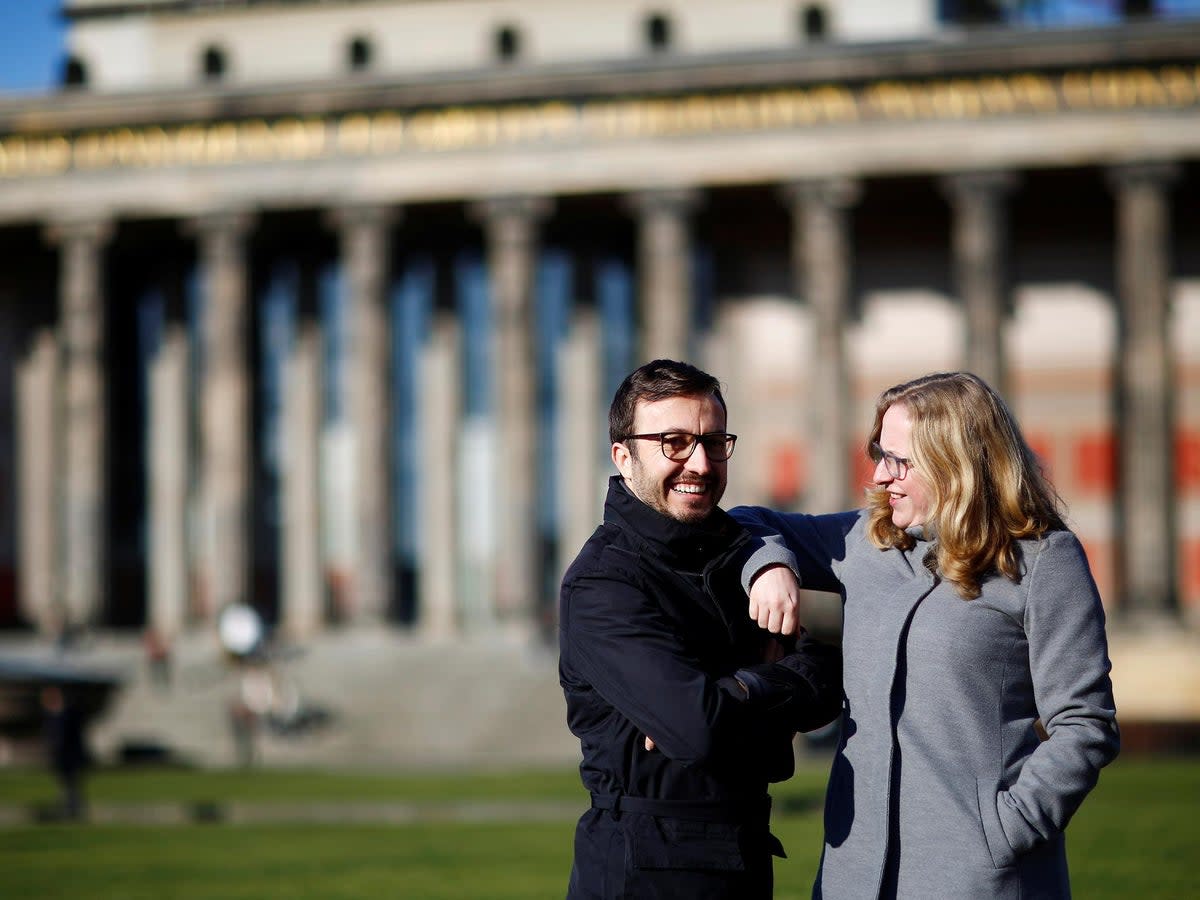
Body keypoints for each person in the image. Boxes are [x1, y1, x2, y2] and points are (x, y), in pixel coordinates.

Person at [732, 371, 1120, 899]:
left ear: (954, 463)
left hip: (980, 877)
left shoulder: (1044, 561)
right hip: (854, 876)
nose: (878, 476)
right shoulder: (864, 541)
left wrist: (1005, 831)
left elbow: (1084, 723)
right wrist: (771, 566)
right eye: (878, 454)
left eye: (898, 461)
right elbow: (742, 522)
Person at [559, 358, 844, 899]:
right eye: (673, 442)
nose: (699, 462)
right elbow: (696, 728)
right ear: (624, 455)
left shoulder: (738, 554)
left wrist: (739, 690)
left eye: (714, 442)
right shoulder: (603, 584)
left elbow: (827, 683)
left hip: (743, 860)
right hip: (643, 872)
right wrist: (765, 686)